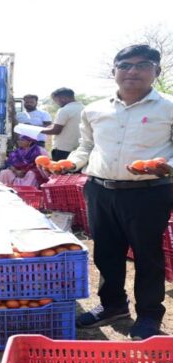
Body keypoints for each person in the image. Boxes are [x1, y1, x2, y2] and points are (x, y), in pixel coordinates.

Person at [60, 44, 173, 339]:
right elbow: (86, 146)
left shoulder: (168, 107)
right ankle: (113, 306)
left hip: (149, 192)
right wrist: (70, 163)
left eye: (142, 65)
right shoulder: (94, 109)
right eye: (125, 65)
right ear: (114, 71)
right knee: (106, 253)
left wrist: (166, 167)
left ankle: (149, 314)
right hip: (100, 190)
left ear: (156, 71)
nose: (132, 71)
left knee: (147, 255)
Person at [40, 88, 84, 161]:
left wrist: (37, 130)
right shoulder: (84, 108)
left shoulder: (64, 110)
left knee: (60, 168)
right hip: (80, 149)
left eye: (55, 100)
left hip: (63, 150)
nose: (56, 103)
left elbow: (56, 131)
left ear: (63, 98)